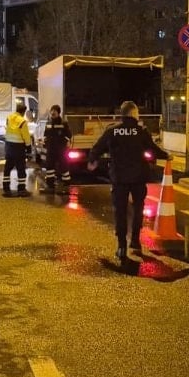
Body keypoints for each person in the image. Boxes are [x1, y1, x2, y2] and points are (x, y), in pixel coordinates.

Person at [87, 101, 170, 262]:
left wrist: (92, 160)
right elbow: (153, 149)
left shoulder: (112, 131)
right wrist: (166, 156)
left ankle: (121, 246)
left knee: (120, 212)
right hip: (138, 177)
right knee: (138, 209)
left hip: (119, 178)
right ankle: (135, 241)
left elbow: (97, 148)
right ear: (133, 114)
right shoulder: (141, 131)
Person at [2, 102, 33, 197]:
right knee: (21, 168)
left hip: (8, 146)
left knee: (8, 167)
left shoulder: (9, 118)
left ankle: (6, 189)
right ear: (23, 112)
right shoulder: (22, 121)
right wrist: (28, 148)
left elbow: (7, 129)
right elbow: (26, 136)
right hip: (19, 147)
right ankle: (21, 190)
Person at [40, 104, 73, 194]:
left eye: (55, 111)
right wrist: (45, 142)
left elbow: (69, 135)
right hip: (51, 149)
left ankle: (66, 187)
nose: (53, 112)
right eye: (52, 111)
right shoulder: (49, 123)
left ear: (58, 112)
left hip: (61, 150)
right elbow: (46, 135)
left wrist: (63, 143)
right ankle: (50, 187)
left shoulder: (63, 123)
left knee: (63, 167)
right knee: (49, 167)